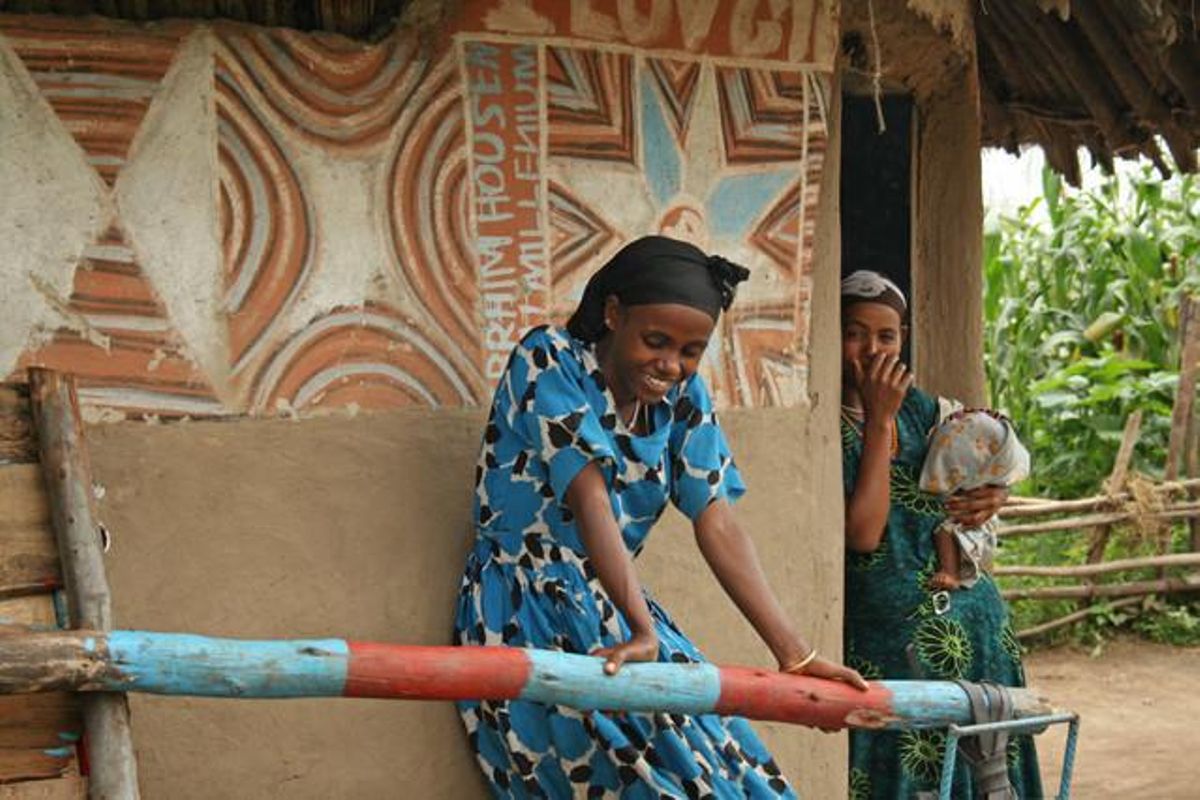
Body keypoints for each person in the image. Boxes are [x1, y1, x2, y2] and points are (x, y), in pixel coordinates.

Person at [454, 235, 866, 798]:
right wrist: (641, 629)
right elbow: (589, 496)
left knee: (736, 774)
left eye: (690, 350)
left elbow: (716, 519)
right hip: (526, 610)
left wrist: (795, 653)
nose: (670, 364)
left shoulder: (684, 396)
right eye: (655, 341)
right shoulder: (548, 358)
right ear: (614, 313)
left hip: (614, 612)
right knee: (653, 782)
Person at [838, 270, 1043, 799]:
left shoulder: (926, 410)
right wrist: (879, 422)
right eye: (854, 332)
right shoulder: (830, 425)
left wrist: (994, 495)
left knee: (987, 773)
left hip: (977, 637)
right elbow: (863, 535)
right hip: (894, 650)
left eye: (887, 336)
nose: (871, 349)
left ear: (903, 337)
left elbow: (980, 462)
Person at [921, 409, 1030, 592]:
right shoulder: (958, 427)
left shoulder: (952, 417)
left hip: (971, 528)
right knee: (946, 529)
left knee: (948, 529)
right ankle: (951, 572)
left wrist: (999, 491)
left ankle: (954, 572)